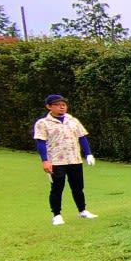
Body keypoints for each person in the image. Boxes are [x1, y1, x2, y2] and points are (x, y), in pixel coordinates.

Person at [33, 94, 98, 225]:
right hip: (56, 161)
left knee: (78, 187)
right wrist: (45, 160)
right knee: (57, 188)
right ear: (49, 107)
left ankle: (82, 210)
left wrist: (88, 154)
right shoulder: (43, 123)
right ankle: (56, 215)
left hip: (74, 159)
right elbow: (41, 142)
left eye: (63, 104)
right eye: (57, 105)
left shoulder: (72, 120)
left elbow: (82, 137)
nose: (61, 107)